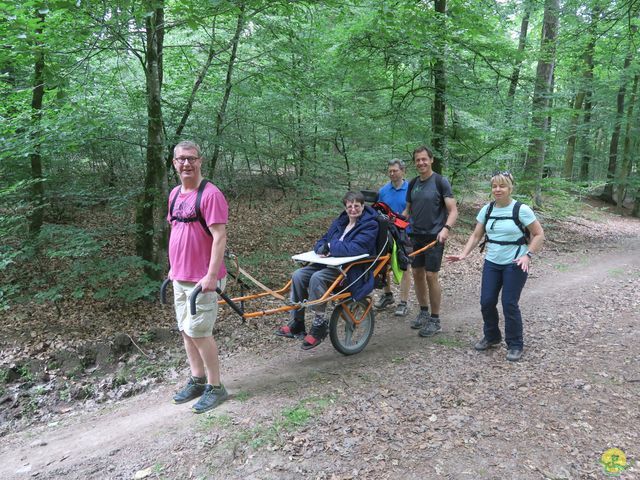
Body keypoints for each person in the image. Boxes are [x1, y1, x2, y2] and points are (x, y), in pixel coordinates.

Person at [446, 171, 544, 362]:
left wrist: (528, 255)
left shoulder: (521, 210)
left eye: (502, 186)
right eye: (494, 186)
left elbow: (539, 234)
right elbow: (476, 235)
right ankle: (492, 337)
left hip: (515, 263)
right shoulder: (487, 210)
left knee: (509, 303)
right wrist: (463, 254)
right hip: (492, 262)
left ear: (510, 188)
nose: (498, 190)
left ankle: (515, 344)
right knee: (487, 301)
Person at [167, 140, 229, 413]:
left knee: (200, 332)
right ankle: (197, 379)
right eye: (181, 159)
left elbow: (219, 237)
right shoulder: (174, 195)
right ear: (174, 163)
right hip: (180, 276)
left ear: (200, 161)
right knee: (186, 331)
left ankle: (216, 387)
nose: (186, 164)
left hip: (203, 279)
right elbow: (178, 232)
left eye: (191, 159)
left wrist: (211, 276)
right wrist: (173, 267)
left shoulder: (211, 194)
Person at [275, 191, 379, 350]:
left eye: (356, 206)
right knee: (298, 275)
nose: (353, 209)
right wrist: (321, 248)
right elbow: (323, 239)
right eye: (349, 206)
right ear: (345, 207)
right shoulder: (341, 222)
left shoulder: (370, 225)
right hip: (330, 263)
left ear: (363, 206)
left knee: (317, 277)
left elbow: (357, 248)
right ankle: (297, 322)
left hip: (351, 269)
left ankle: (319, 324)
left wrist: (330, 247)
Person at [402, 145, 458, 337]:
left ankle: (435, 319)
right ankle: (424, 312)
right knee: (417, 273)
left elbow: (453, 210)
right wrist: (397, 222)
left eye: (424, 159)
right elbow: (407, 211)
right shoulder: (412, 184)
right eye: (418, 160)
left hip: (435, 236)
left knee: (431, 275)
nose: (421, 163)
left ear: (431, 160)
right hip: (415, 235)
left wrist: (446, 229)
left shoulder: (440, 182)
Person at [373, 158, 413, 316]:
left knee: (404, 267)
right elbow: (378, 209)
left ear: (403, 171)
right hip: (387, 233)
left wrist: (399, 221)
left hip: (405, 233)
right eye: (390, 171)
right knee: (384, 265)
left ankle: (403, 302)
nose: (392, 173)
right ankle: (387, 295)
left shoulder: (410, 189)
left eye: (395, 170)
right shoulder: (383, 191)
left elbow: (412, 210)